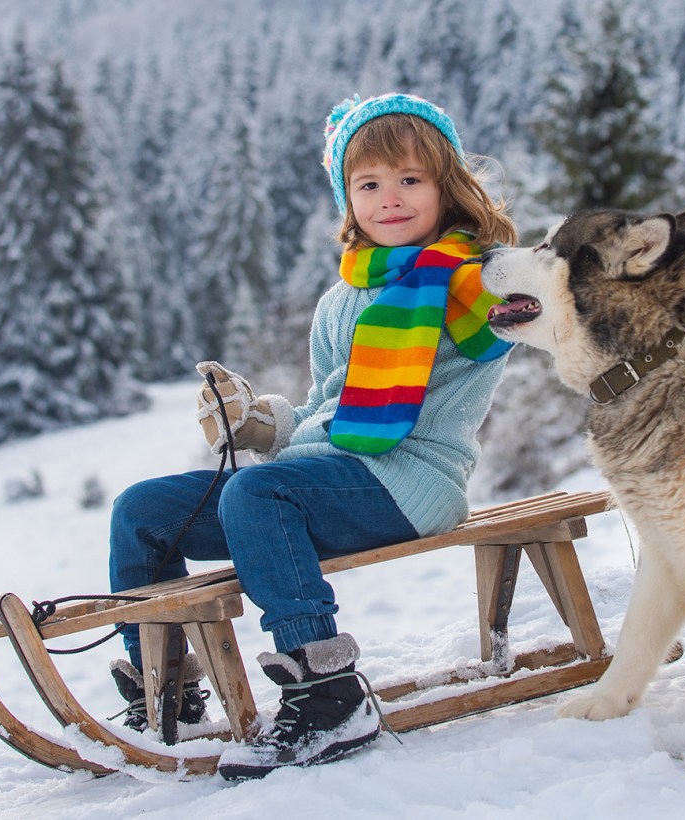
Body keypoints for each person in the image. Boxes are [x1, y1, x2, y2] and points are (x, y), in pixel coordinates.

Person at [106, 92, 517, 780]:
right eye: (369, 184)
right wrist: (260, 420)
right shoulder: (342, 298)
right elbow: (329, 406)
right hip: (322, 478)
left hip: (411, 482)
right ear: (347, 198)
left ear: (447, 186)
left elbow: (516, 319)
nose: (391, 198)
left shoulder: (472, 282)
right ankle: (166, 693)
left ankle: (326, 695)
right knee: (143, 512)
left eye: (411, 180)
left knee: (257, 496)